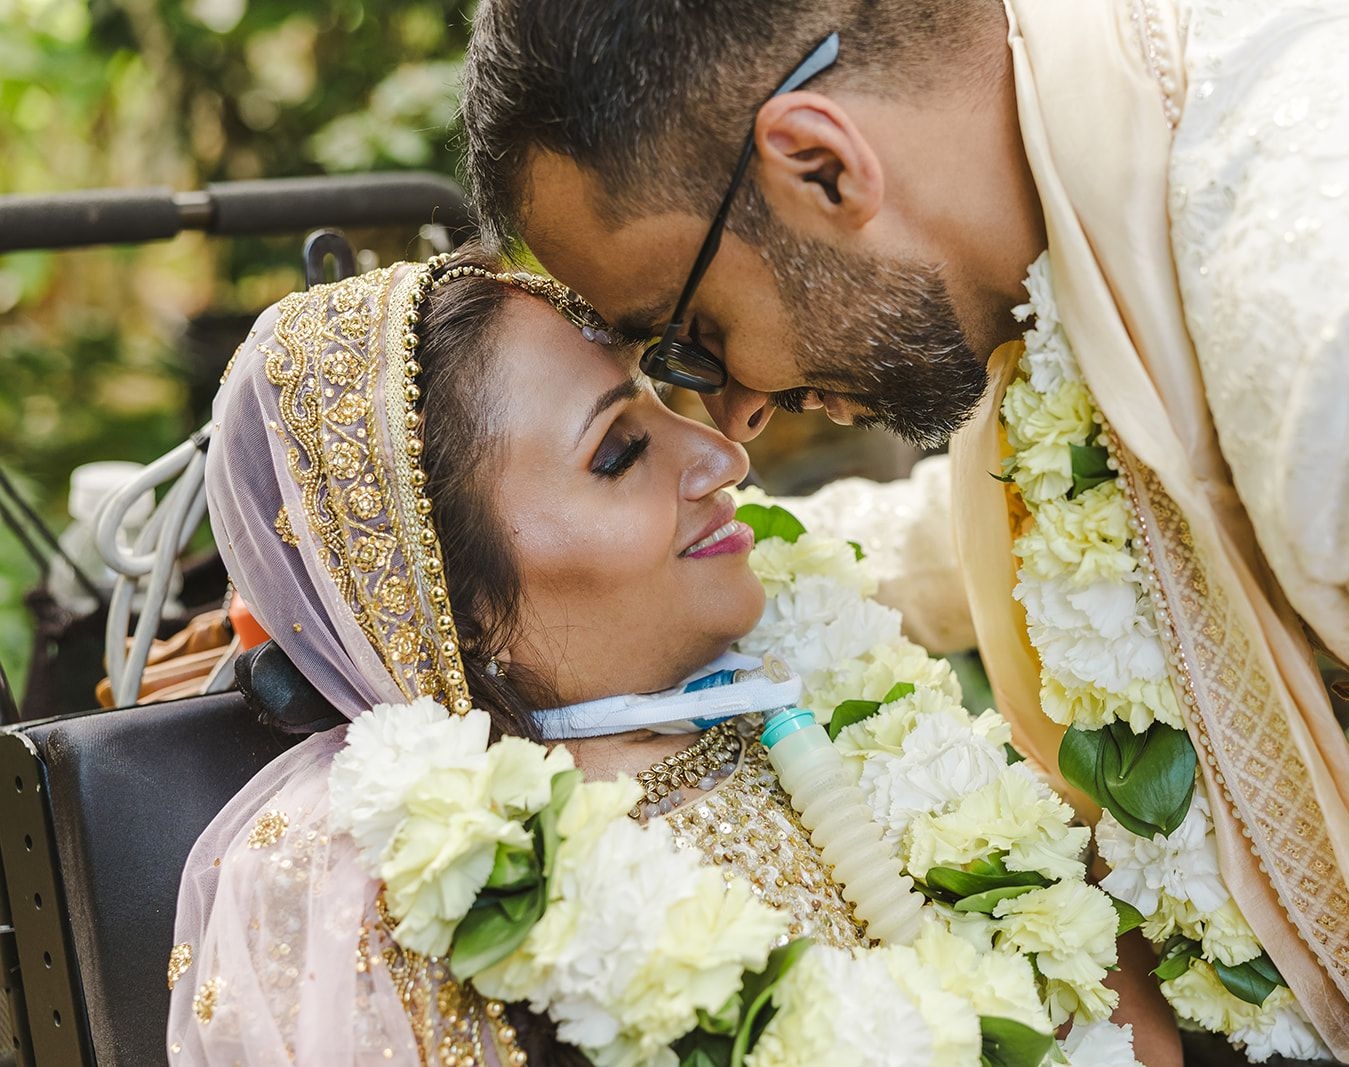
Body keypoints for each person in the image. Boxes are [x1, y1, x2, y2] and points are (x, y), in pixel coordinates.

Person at [458, 1, 1349, 1064]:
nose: (736, 417)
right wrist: (723, 563)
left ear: (821, 164)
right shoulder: (1125, 135)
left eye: (689, 337)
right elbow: (1045, 513)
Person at [166, 251, 1173, 1065]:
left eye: (656, 401)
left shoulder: (808, 676)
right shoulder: (422, 883)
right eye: (617, 452)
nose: (722, 456)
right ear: (453, 606)